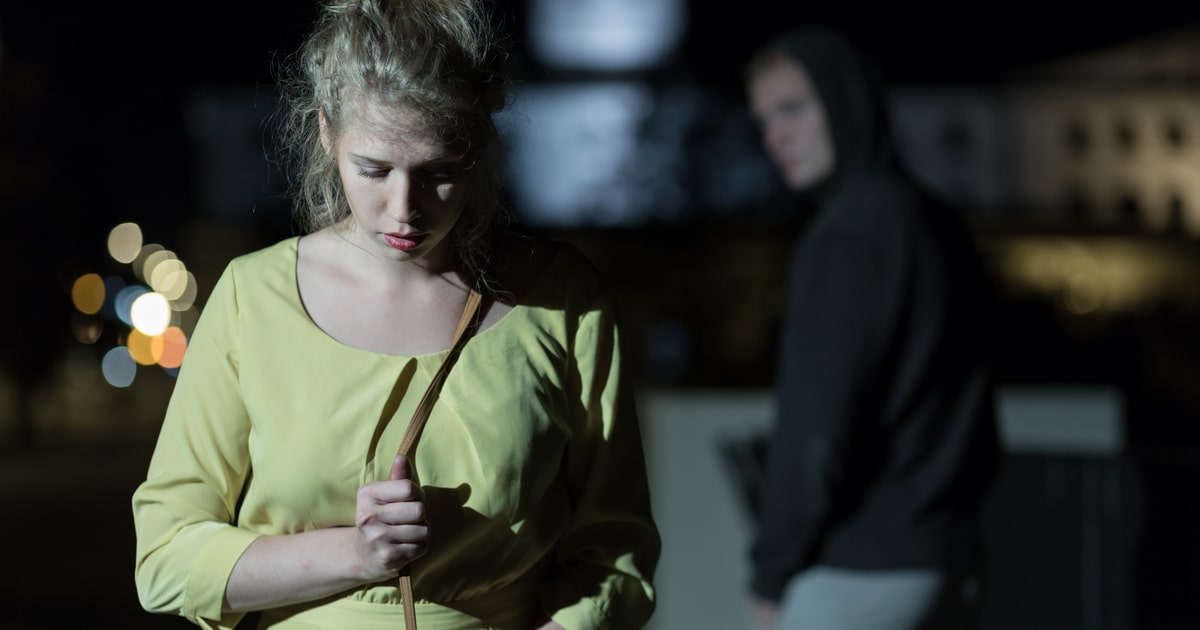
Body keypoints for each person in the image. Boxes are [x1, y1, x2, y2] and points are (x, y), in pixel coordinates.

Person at [131, 1, 660, 628]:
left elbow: (615, 552)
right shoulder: (254, 296)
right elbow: (164, 560)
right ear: (327, 132)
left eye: (438, 172)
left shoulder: (562, 299)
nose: (404, 208)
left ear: (478, 146)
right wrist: (353, 554)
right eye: (374, 169)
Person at [742, 27, 1000, 630]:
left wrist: (770, 574)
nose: (774, 135)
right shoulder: (935, 221)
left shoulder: (846, 237)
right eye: (763, 120)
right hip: (952, 564)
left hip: (859, 575)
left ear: (844, 99)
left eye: (792, 108)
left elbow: (813, 437)